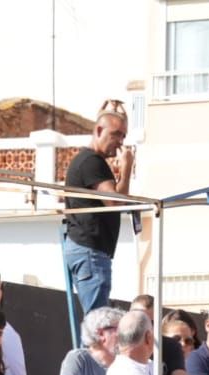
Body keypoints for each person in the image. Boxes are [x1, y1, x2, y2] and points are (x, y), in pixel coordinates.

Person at [62, 103, 132, 315]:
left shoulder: (92, 161)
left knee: (97, 325)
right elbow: (116, 203)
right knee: (97, 325)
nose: (120, 141)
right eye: (116, 134)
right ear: (99, 131)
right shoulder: (92, 162)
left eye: (123, 136)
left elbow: (116, 198)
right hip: (90, 251)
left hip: (88, 250)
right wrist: (127, 169)